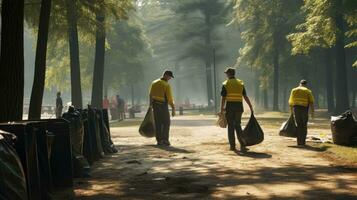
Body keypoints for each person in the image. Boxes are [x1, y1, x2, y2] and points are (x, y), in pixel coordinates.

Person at [220, 67, 254, 152]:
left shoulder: (226, 83)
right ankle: (242, 145)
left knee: (231, 126)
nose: (226, 75)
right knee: (238, 126)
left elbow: (223, 98)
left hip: (230, 107)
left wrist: (221, 109)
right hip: (239, 107)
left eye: (226, 73)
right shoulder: (240, 83)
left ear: (228, 74)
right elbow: (245, 96)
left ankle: (232, 146)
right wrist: (250, 106)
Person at [149, 70, 175, 146]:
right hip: (163, 106)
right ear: (166, 75)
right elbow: (169, 98)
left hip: (155, 105)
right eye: (170, 77)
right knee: (166, 123)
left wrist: (150, 105)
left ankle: (159, 140)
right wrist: (173, 107)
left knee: (158, 123)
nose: (170, 78)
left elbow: (150, 95)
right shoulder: (166, 85)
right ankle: (165, 140)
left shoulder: (154, 83)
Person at [288, 80, 315, 146]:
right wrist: (312, 112)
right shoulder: (308, 91)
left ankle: (299, 142)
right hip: (304, 110)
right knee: (304, 125)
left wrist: (291, 112)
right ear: (306, 84)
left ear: (299, 84)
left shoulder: (294, 90)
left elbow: (291, 102)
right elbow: (311, 102)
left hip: (296, 109)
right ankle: (303, 142)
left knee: (299, 125)